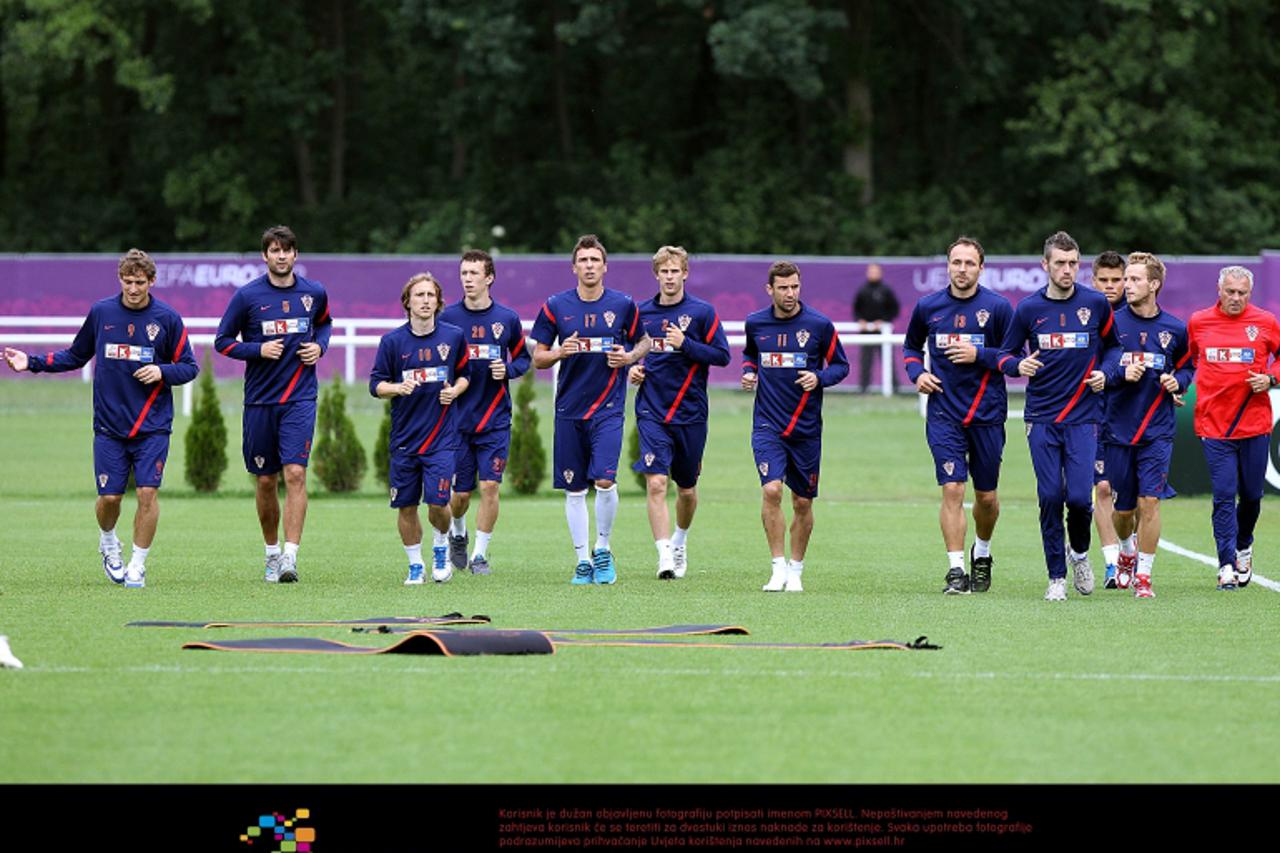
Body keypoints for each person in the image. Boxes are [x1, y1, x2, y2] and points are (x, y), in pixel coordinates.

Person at [4, 249, 198, 589]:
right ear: (119, 279)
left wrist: (161, 371)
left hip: (152, 425)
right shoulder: (102, 313)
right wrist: (31, 362)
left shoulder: (167, 319)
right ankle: (108, 540)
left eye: (140, 282)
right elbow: (75, 355)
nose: (133, 288)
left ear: (151, 281)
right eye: (127, 281)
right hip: (109, 426)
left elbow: (189, 366)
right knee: (110, 498)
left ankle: (137, 564)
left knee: (148, 494)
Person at [994, 231, 1120, 601]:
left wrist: (1106, 373)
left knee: (1080, 498)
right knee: (1050, 496)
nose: (1067, 270)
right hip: (1042, 417)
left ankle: (1080, 554)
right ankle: (1056, 577)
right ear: (1045, 265)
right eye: (1060, 263)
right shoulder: (1029, 310)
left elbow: (1114, 348)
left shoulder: (1096, 304)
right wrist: (1019, 365)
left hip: (1083, 418)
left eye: (1073, 263)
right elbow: (1004, 354)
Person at [214, 225, 332, 584]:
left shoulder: (314, 292)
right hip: (261, 401)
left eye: (287, 250)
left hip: (300, 398)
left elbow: (325, 325)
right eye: (274, 250)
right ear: (265, 256)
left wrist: (320, 347)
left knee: (295, 473)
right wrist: (257, 350)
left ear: (296, 255)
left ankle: (290, 557)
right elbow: (222, 341)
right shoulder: (247, 297)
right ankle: (270, 552)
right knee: (265, 480)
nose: (281, 256)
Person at [531, 235, 649, 585]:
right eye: (583, 260)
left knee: (605, 479)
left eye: (595, 260)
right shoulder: (555, 306)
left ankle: (603, 549)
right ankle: (582, 560)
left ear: (605, 266)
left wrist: (629, 358)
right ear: (574, 267)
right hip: (569, 409)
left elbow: (643, 340)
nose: (589, 266)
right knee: (575, 489)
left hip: (609, 408)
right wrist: (559, 353)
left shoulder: (624, 305)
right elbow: (537, 357)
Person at [902, 236, 1012, 594]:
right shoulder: (928, 306)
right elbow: (910, 348)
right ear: (947, 266)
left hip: (987, 414)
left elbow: (1015, 357)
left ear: (981, 267)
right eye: (956, 262)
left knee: (986, 498)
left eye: (969, 263)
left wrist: (978, 355)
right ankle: (956, 570)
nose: (962, 269)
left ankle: (982, 554)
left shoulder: (997, 308)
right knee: (952, 488)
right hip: (944, 413)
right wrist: (917, 373)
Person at [742, 261, 850, 592]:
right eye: (783, 288)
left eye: (795, 287)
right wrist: (749, 371)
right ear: (770, 289)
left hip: (805, 428)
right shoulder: (756, 323)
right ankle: (777, 568)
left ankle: (796, 569)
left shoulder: (818, 325)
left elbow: (841, 366)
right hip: (767, 424)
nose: (790, 294)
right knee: (772, 490)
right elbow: (750, 355)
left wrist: (818, 377)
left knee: (802, 503)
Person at [628, 246, 730, 579]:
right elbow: (629, 355)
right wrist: (632, 370)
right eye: (664, 271)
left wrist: (685, 343)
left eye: (675, 271)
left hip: (690, 413)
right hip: (652, 411)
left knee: (686, 489)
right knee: (656, 483)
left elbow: (722, 356)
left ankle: (680, 540)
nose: (670, 277)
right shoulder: (641, 313)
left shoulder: (701, 313)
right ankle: (664, 557)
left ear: (685, 273)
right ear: (656, 275)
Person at [1100, 253, 1193, 599]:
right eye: (1126, 279)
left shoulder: (1175, 329)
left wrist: (1178, 382)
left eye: (1135, 279)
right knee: (1124, 510)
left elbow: (1186, 367)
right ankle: (1126, 547)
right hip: (1118, 428)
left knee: (1150, 501)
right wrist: (1120, 375)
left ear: (1154, 285)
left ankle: (1144, 576)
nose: (1127, 285)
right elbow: (1097, 373)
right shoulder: (1111, 325)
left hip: (1158, 428)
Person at [371, 273, 470, 584]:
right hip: (404, 440)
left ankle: (441, 545)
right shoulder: (392, 342)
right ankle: (415, 565)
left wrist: (455, 390)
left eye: (431, 295)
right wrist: (398, 388)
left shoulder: (453, 337)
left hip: (442, 438)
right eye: (419, 295)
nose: (426, 300)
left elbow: (465, 374)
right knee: (406, 505)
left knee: (439, 502)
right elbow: (376, 385)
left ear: (438, 302)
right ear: (407, 302)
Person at [1186, 265, 1280, 591]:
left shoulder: (1266, 323)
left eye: (1242, 293)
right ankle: (1226, 564)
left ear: (1249, 294)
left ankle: (1244, 545)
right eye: (1230, 292)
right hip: (1214, 426)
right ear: (1219, 290)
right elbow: (1186, 360)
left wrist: (1270, 378)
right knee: (1224, 495)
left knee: (1252, 497)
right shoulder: (1199, 322)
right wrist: (1176, 382)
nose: (1236, 298)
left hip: (1254, 425)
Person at [440, 250, 531, 575]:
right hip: (457, 421)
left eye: (474, 273)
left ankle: (479, 555)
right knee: (460, 494)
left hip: (495, 420)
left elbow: (523, 359)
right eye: (464, 273)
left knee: (490, 486)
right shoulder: (447, 318)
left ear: (489, 278)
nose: (468, 279)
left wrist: (506, 370)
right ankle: (459, 533)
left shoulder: (506, 318)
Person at [1090, 250, 1129, 588]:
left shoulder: (1138, 317)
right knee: (1103, 488)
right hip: (1094, 415)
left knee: (1132, 497)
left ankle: (1130, 551)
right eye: (1103, 280)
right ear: (1093, 281)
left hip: (1132, 416)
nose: (1110, 286)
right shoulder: (1085, 314)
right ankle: (1111, 565)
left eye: (1116, 280)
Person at [851, 263, 899, 393]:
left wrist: (883, 321)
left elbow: (894, 309)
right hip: (866, 331)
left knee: (888, 360)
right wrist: (860, 320)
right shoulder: (862, 290)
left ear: (880, 273)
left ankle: (895, 388)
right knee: (865, 361)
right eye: (871, 271)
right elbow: (856, 309)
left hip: (883, 331)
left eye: (875, 271)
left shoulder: (886, 290)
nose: (873, 274)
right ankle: (863, 388)